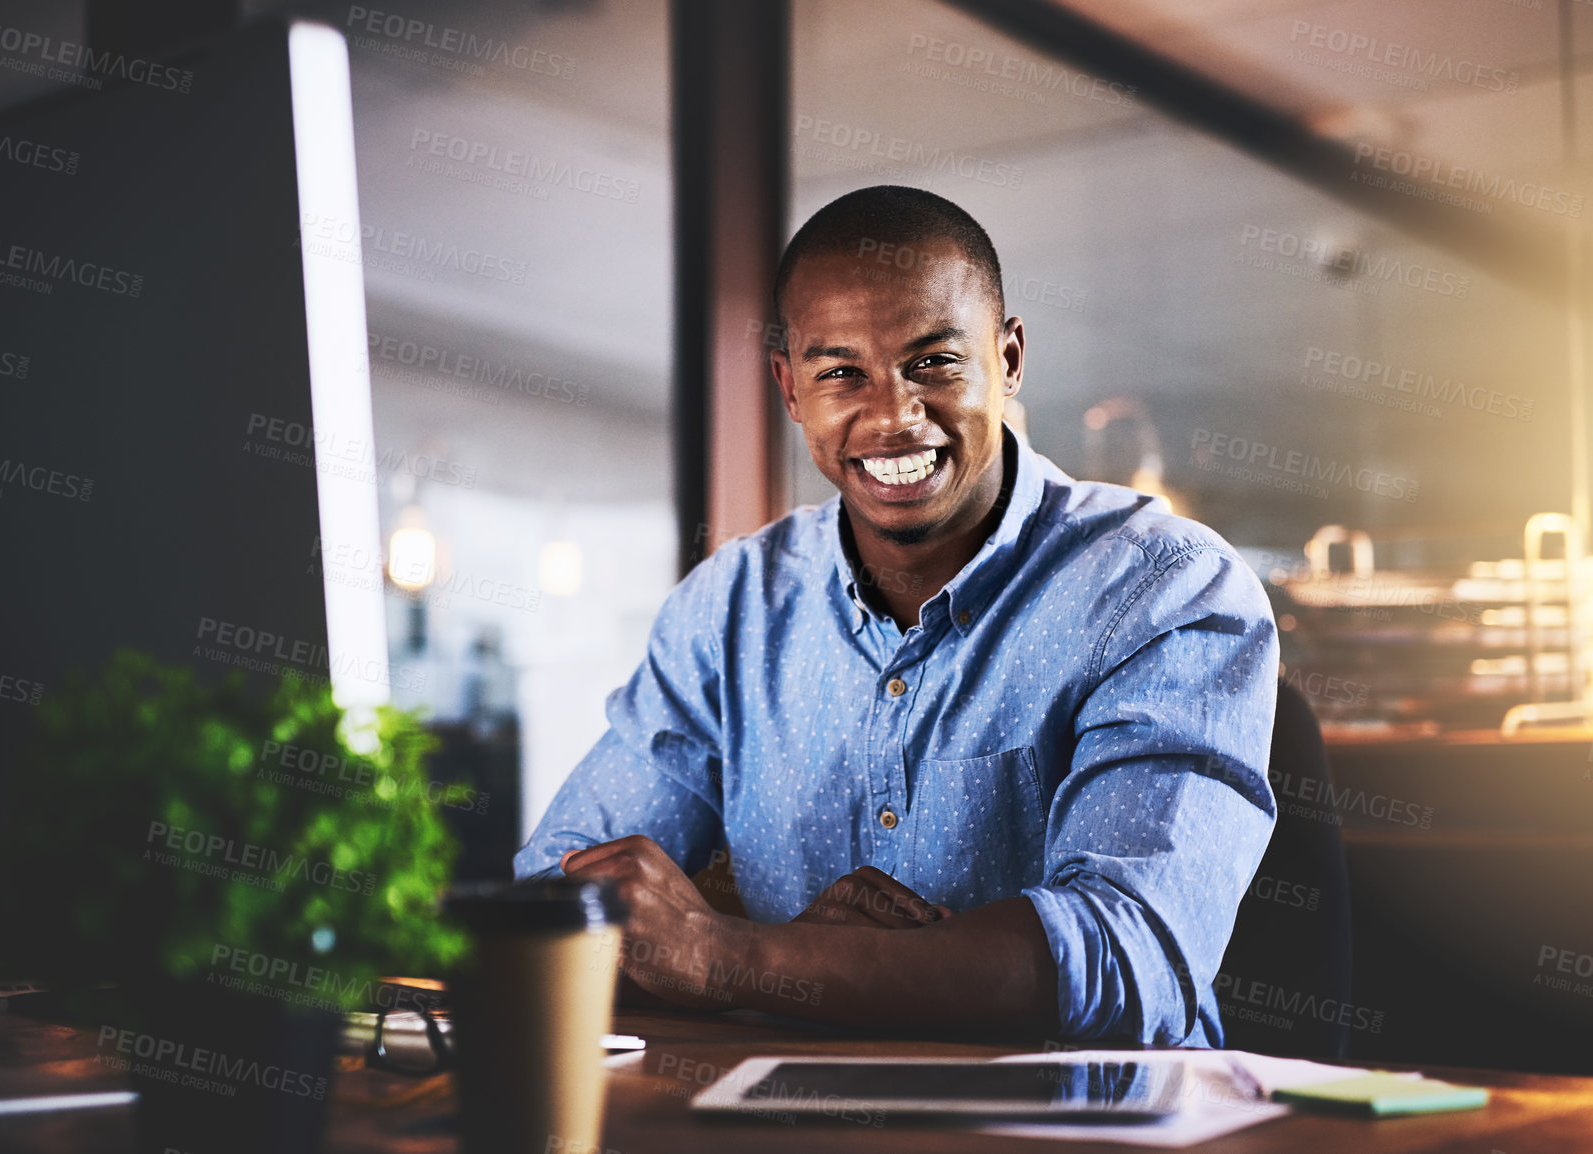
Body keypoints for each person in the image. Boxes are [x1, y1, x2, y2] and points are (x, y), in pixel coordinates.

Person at [513, 185, 1278, 1045]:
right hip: (785, 1120)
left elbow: (1128, 958)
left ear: (1010, 359)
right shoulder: (728, 607)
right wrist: (793, 956)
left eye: (934, 364)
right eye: (841, 372)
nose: (893, 417)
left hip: (1082, 1129)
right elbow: (558, 892)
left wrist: (740, 958)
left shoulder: (1168, 586)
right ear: (790, 387)